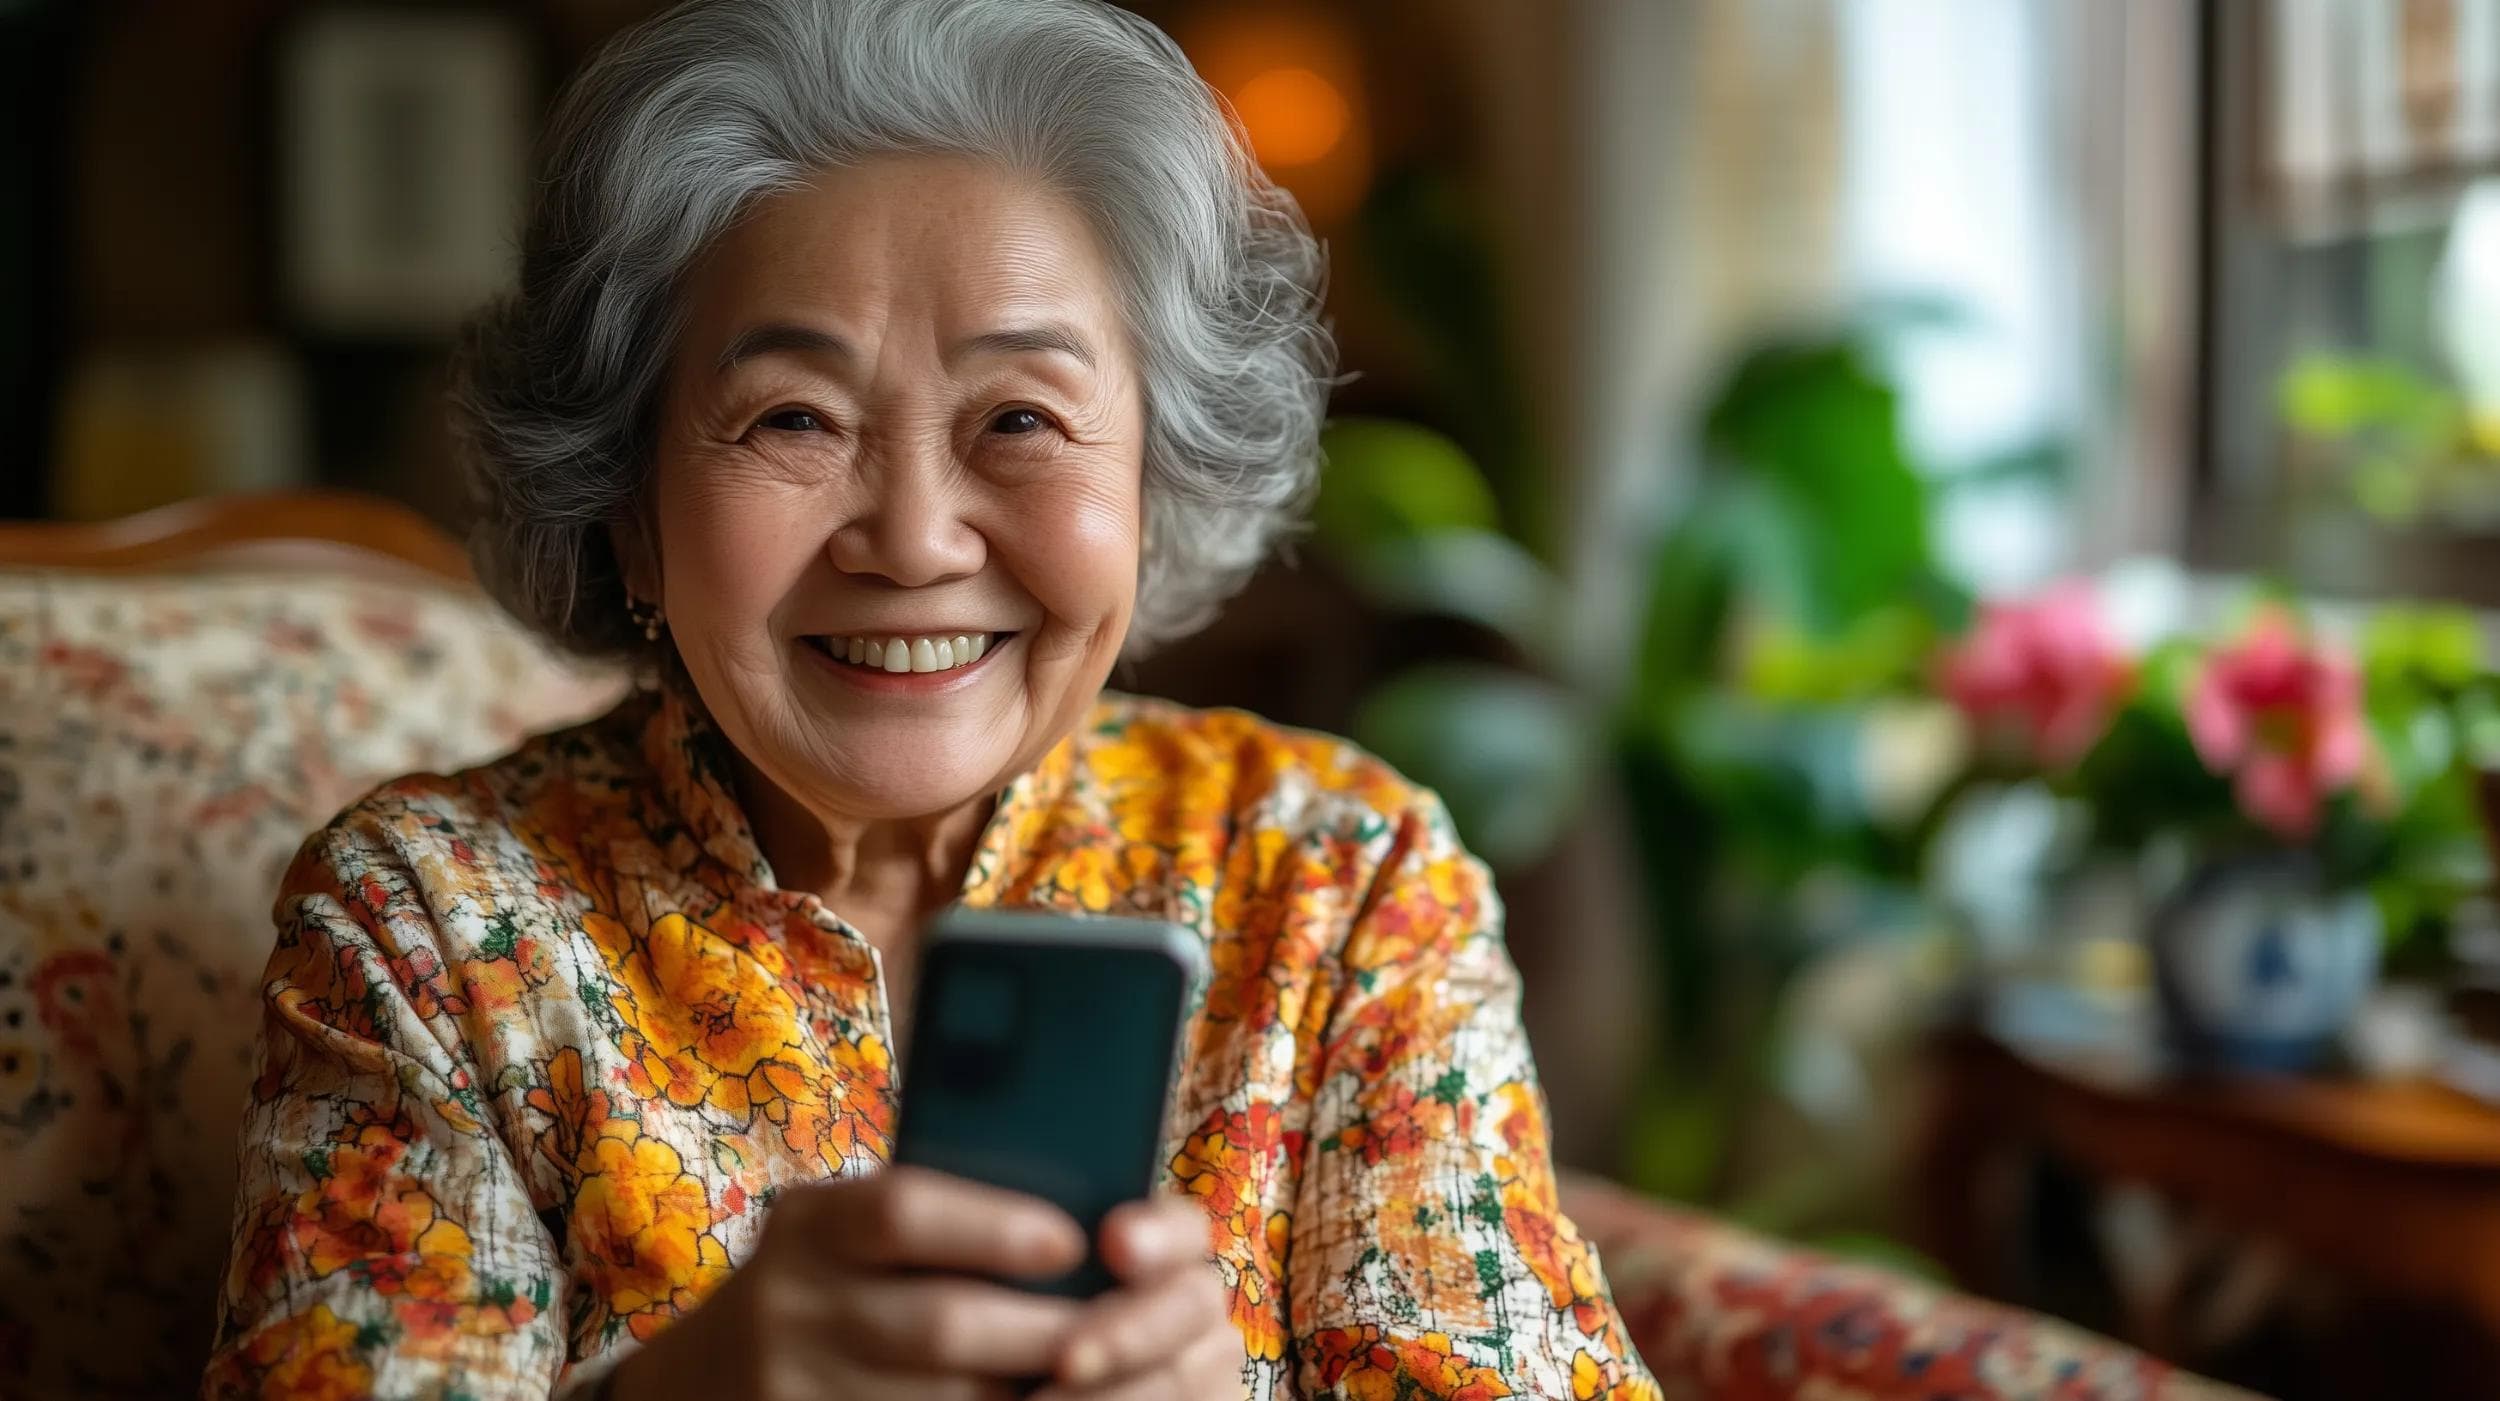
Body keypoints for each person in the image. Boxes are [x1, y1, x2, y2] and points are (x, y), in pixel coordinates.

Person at [205, 1, 1659, 1396]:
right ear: (631, 510)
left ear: (1154, 485)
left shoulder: (1338, 878)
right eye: (794, 419)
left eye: (1019, 419)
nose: (911, 539)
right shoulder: (433, 920)